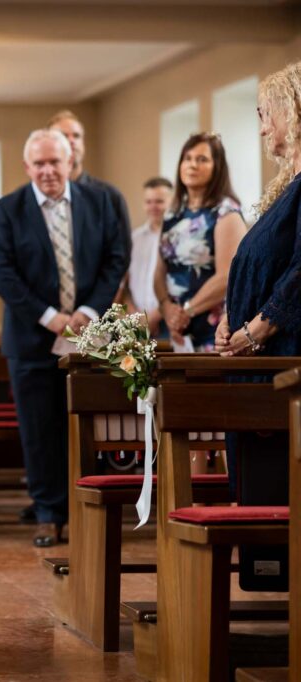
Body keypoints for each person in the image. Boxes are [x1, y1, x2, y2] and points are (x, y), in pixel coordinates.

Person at [0, 129, 127, 548]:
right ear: (27, 167)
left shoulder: (98, 202)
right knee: (39, 429)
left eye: (55, 162)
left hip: (88, 335)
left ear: (70, 163)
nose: (48, 170)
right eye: (40, 163)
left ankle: (89, 508)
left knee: (88, 425)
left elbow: (115, 258)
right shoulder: (7, 209)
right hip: (31, 339)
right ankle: (49, 513)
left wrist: (86, 312)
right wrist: (50, 318)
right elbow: (1, 272)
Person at [215, 61, 301, 590]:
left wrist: (258, 329)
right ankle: (271, 583)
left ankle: (282, 591)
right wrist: (231, 325)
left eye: (265, 112)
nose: (262, 124)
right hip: (252, 360)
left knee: (274, 483)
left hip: (280, 362)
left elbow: (299, 273)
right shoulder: (285, 186)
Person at [154, 133, 246, 351]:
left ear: (217, 167)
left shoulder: (226, 212)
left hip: (211, 327)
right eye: (187, 158)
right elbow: (159, 272)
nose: (192, 165)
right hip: (175, 328)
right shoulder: (172, 214)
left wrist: (186, 311)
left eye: (202, 159)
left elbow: (227, 276)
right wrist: (167, 308)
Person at [48, 110, 131, 250]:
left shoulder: (110, 196)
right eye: (63, 136)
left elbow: (122, 253)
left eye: (76, 136)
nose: (71, 141)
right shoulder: (33, 199)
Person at [126, 177, 173, 337]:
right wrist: (136, 317)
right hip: (135, 321)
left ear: (171, 202)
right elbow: (124, 283)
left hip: (168, 322)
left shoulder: (177, 238)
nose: (153, 207)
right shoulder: (133, 239)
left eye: (159, 201)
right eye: (149, 201)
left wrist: (154, 317)